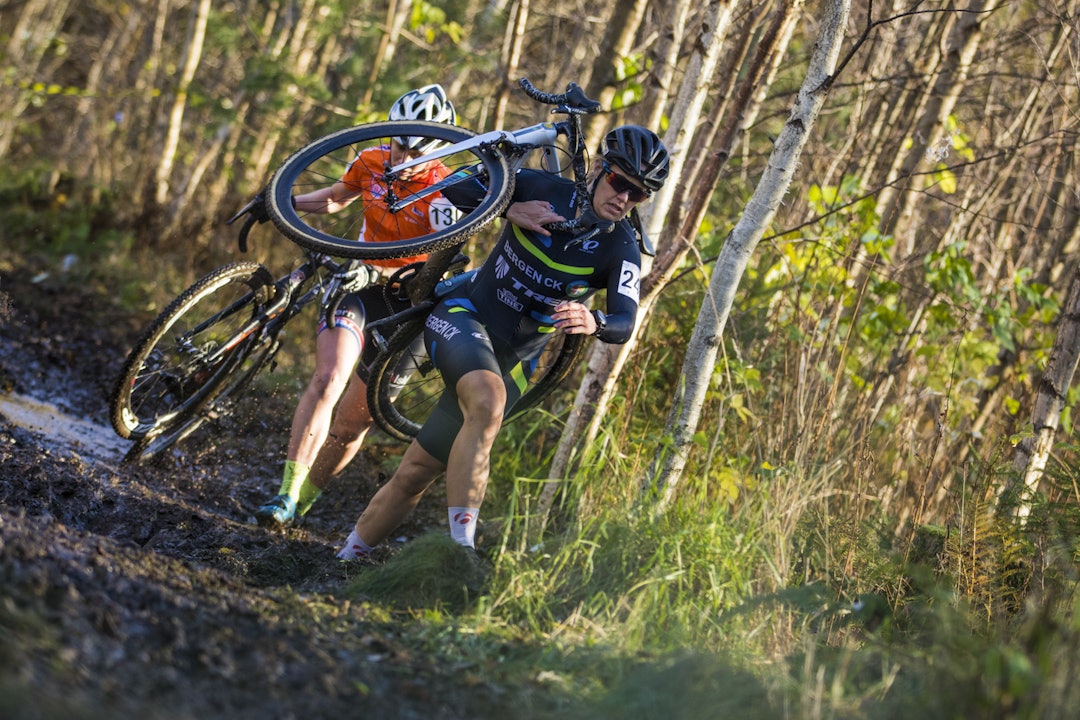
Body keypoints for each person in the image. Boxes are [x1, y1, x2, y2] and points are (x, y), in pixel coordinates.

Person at [335, 124, 670, 558]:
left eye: (638, 194)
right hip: (464, 317)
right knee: (488, 399)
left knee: (417, 471)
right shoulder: (539, 187)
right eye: (619, 181)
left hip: (515, 362)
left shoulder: (620, 246)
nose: (624, 198)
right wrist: (508, 208)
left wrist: (594, 320)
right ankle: (461, 552)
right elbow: (453, 187)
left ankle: (347, 558)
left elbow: (625, 320)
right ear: (599, 168)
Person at [254, 84, 460, 527]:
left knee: (352, 423)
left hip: (411, 304)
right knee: (329, 378)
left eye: (417, 154)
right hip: (361, 284)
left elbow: (443, 260)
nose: (404, 159)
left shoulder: (446, 190)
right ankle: (285, 494)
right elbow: (335, 197)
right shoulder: (370, 160)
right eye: (399, 146)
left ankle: (302, 504)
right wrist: (281, 202)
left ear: (437, 152)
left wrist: (404, 275)